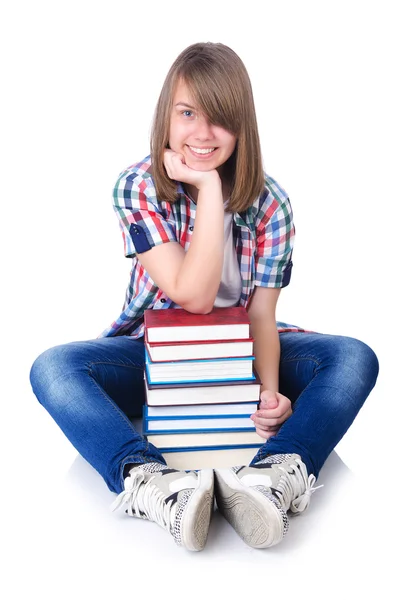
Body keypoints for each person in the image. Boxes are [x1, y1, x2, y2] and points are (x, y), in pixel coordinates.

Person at [29, 42, 379, 551]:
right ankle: (154, 482)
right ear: (166, 117)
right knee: (53, 368)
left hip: (241, 352)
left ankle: (275, 475)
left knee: (352, 356)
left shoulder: (270, 202)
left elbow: (262, 313)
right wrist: (209, 188)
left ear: (242, 128)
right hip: (154, 353)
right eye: (188, 113)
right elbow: (190, 295)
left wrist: (268, 389)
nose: (202, 133)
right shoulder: (138, 187)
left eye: (220, 119)